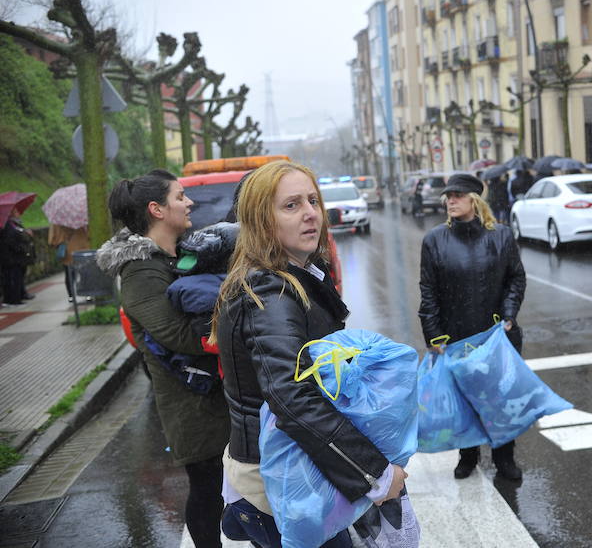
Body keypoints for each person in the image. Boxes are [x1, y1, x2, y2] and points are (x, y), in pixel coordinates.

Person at [210, 161, 407, 548]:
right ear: (261, 221)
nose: (310, 213)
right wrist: (374, 474)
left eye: (312, 200)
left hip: (289, 468)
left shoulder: (294, 275)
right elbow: (293, 396)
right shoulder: (272, 293)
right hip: (281, 479)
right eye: (291, 205)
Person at [96, 169, 229, 548]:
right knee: (207, 488)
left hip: (216, 391)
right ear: (156, 209)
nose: (190, 203)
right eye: (180, 196)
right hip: (192, 404)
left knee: (228, 484)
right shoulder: (140, 272)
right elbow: (183, 336)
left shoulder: (182, 253)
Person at [418, 173, 527, 481]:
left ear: (474, 200)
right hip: (456, 336)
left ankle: (505, 457)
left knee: (500, 399)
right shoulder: (434, 240)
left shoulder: (501, 236)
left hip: (497, 335)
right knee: (463, 400)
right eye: (447, 196)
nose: (450, 200)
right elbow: (429, 291)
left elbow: (516, 278)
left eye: (457, 195)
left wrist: (508, 314)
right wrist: (433, 333)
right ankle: (468, 455)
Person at [0, 208, 35, 305]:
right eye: (16, 211)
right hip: (10, 257)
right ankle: (13, 300)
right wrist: (20, 247)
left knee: (18, 277)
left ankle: (19, 296)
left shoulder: (14, 223)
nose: (19, 213)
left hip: (16, 257)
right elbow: (10, 239)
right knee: (12, 278)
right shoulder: (6, 225)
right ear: (10, 213)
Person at [48, 223, 90, 302]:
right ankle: (87, 293)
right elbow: (88, 234)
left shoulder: (57, 221)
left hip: (68, 252)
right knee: (84, 273)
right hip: (82, 250)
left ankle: (71, 295)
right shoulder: (80, 219)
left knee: (69, 275)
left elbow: (52, 240)